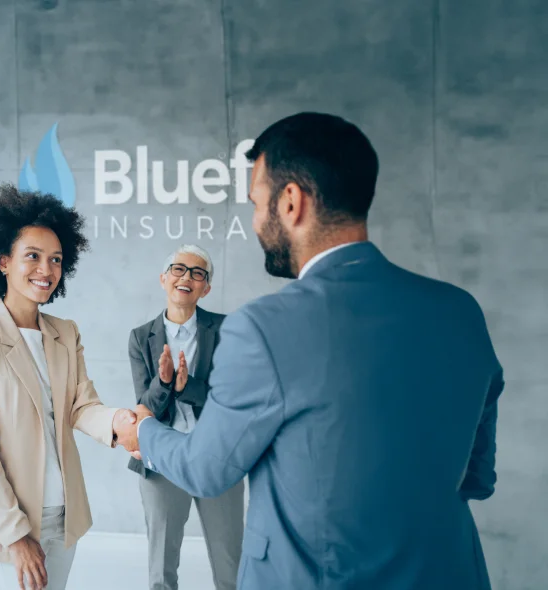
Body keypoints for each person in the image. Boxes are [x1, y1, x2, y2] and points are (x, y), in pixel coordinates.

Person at [116, 112, 504, 589]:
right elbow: (477, 478)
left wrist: (143, 433)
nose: (256, 220)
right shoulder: (460, 312)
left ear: (292, 201)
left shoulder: (262, 328)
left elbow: (207, 468)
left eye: (258, 202)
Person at [0, 184, 140, 590]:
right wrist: (16, 537)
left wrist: (119, 422)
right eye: (32, 256)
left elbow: (81, 405)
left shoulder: (64, 333)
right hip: (11, 519)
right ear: (3, 262)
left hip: (63, 513)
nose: (46, 269)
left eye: (55, 260)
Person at [125, 244, 242, 590]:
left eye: (197, 273)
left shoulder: (228, 330)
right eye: (178, 269)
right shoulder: (140, 338)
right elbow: (143, 405)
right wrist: (163, 383)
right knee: (161, 572)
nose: (186, 277)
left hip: (218, 457)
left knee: (230, 568)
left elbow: (232, 400)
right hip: (162, 460)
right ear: (164, 279)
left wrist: (187, 385)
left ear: (205, 288)